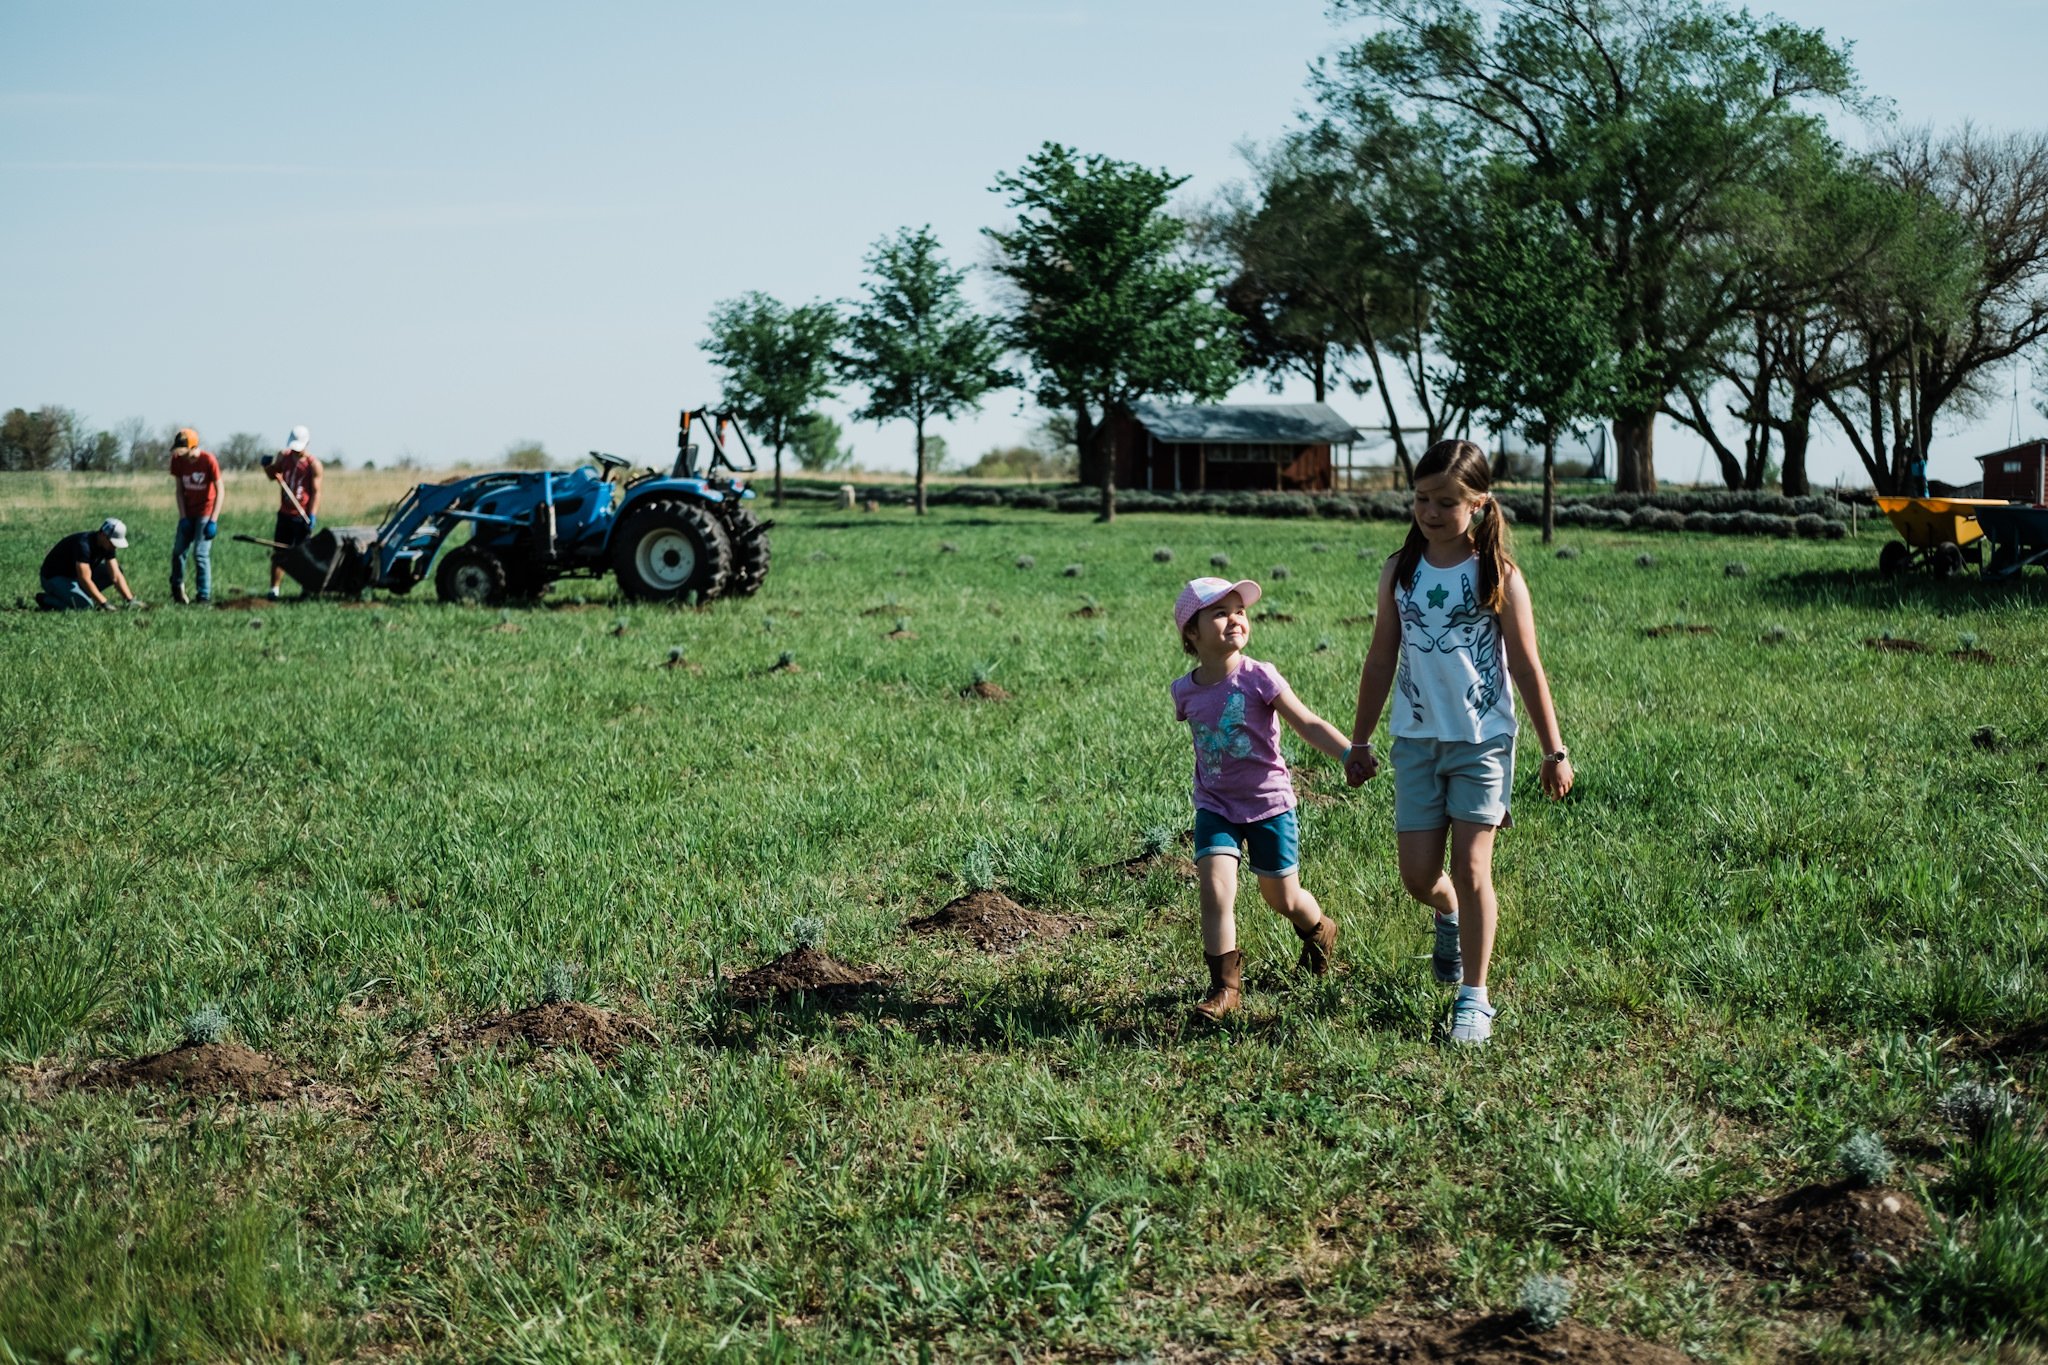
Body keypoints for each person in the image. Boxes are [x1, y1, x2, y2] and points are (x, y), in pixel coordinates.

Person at [1345, 439, 1574, 1046]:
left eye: (1446, 501)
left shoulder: (1497, 575)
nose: (1430, 510)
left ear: (1479, 504)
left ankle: (1475, 998)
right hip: (1416, 741)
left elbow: (1527, 667)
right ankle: (1445, 916)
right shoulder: (1401, 569)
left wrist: (1554, 750)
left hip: (1482, 741)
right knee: (1419, 877)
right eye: (1421, 498)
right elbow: (1380, 656)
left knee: (1473, 869)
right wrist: (1359, 739)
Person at [1172, 575, 1351, 1022]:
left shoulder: (1259, 677)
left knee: (1281, 896)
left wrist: (1349, 753)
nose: (1235, 619)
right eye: (1220, 612)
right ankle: (1225, 990)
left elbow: (1306, 723)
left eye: (1240, 611)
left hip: (1269, 804)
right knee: (1215, 891)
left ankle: (1318, 930)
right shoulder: (1184, 691)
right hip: (1215, 806)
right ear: (1191, 633)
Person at [262, 425, 322, 599]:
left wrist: (312, 515)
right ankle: (274, 589)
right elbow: (273, 476)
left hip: (301, 516)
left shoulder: (313, 465)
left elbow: (316, 492)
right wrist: (267, 467)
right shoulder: (284, 456)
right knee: (279, 552)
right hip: (285, 513)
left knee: (304, 555)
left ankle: (306, 589)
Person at [167, 427, 222, 604]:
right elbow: (179, 491)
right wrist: (183, 517)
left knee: (200, 554)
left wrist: (213, 520)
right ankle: (177, 588)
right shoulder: (177, 461)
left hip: (205, 512)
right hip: (188, 512)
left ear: (192, 446)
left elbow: (220, 491)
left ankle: (203, 595)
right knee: (178, 552)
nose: (180, 453)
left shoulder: (208, 460)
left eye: (183, 449)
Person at [37, 518, 139, 611]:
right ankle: (46, 599)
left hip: (75, 577)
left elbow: (116, 575)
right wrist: (104, 603)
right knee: (87, 606)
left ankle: (81, 596)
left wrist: (130, 600)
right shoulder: (83, 545)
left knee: (114, 571)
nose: (114, 546)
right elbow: (84, 579)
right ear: (103, 535)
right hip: (54, 578)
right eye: (113, 542)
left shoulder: (107, 546)